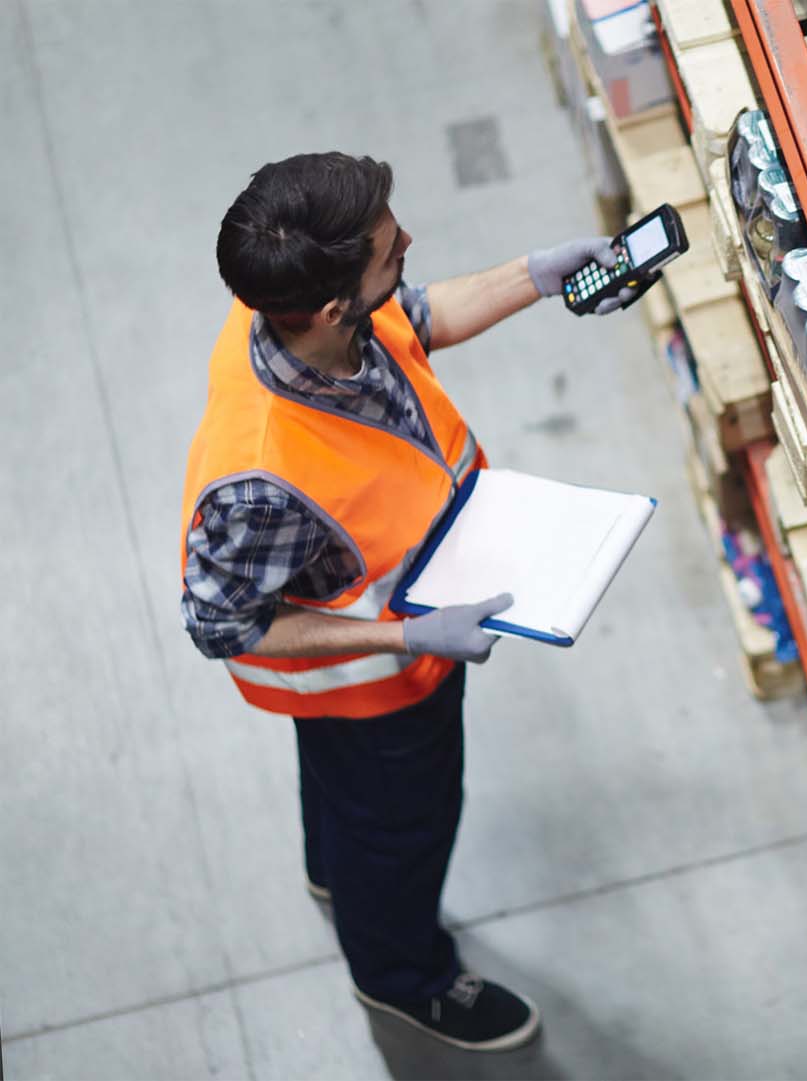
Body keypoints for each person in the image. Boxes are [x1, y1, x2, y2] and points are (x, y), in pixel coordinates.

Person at [178, 152, 644, 1052]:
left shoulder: (290, 314)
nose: (410, 252)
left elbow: (410, 319)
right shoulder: (260, 480)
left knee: (348, 811)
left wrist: (534, 278)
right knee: (403, 826)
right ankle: (401, 975)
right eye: (389, 253)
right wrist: (405, 633)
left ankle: (336, 872)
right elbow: (219, 620)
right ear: (327, 308)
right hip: (377, 689)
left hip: (399, 653)